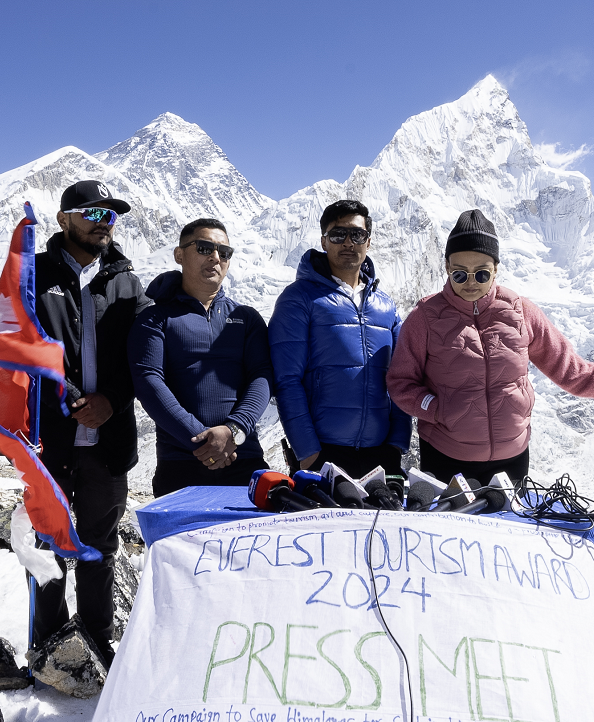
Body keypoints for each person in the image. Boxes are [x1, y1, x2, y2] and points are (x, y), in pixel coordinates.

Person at [387, 209, 594, 483]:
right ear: (447, 268)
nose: (470, 283)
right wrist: (437, 409)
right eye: (459, 274)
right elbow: (400, 382)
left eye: (481, 274)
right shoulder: (425, 317)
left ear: (495, 269)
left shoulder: (520, 312)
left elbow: (567, 368)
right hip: (446, 455)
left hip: (513, 456)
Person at [31, 179, 150, 667]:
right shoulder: (31, 274)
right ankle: (49, 645)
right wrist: (79, 398)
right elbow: (21, 346)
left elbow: (143, 355)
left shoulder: (126, 281)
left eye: (111, 215)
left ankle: (98, 645)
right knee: (47, 546)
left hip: (108, 438)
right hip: (49, 437)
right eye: (93, 213)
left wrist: (113, 401)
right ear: (63, 220)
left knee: (100, 546)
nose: (105, 223)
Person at [129, 218, 274, 496]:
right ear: (179, 254)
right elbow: (148, 383)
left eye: (224, 252)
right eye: (205, 248)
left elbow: (263, 375)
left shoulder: (246, 318)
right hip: (181, 461)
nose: (215, 258)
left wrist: (233, 431)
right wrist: (202, 442)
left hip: (244, 456)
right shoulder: (155, 318)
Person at [269, 199, 411, 479]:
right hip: (323, 454)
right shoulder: (298, 299)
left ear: (368, 242)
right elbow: (286, 379)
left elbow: (401, 379)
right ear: (324, 241)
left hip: (381, 455)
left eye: (357, 235)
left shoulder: (386, 306)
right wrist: (308, 452)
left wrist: (396, 445)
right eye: (338, 234)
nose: (348, 242)